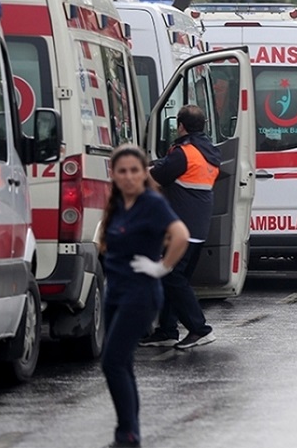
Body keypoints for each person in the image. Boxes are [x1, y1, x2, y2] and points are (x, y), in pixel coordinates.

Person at [99, 144, 190, 448]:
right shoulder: (116, 202)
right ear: (113, 174)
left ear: (143, 174)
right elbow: (105, 238)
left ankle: (127, 434)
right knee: (121, 363)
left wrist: (161, 267)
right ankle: (128, 432)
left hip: (140, 295)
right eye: (122, 171)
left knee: (112, 362)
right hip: (115, 291)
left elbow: (180, 235)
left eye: (134, 171)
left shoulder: (151, 203)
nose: (128, 177)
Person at [140, 105, 221, 349]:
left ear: (181, 126)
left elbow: (157, 175)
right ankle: (167, 330)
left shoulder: (183, 153)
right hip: (197, 229)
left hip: (182, 229)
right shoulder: (209, 152)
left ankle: (200, 329)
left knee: (171, 277)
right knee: (174, 279)